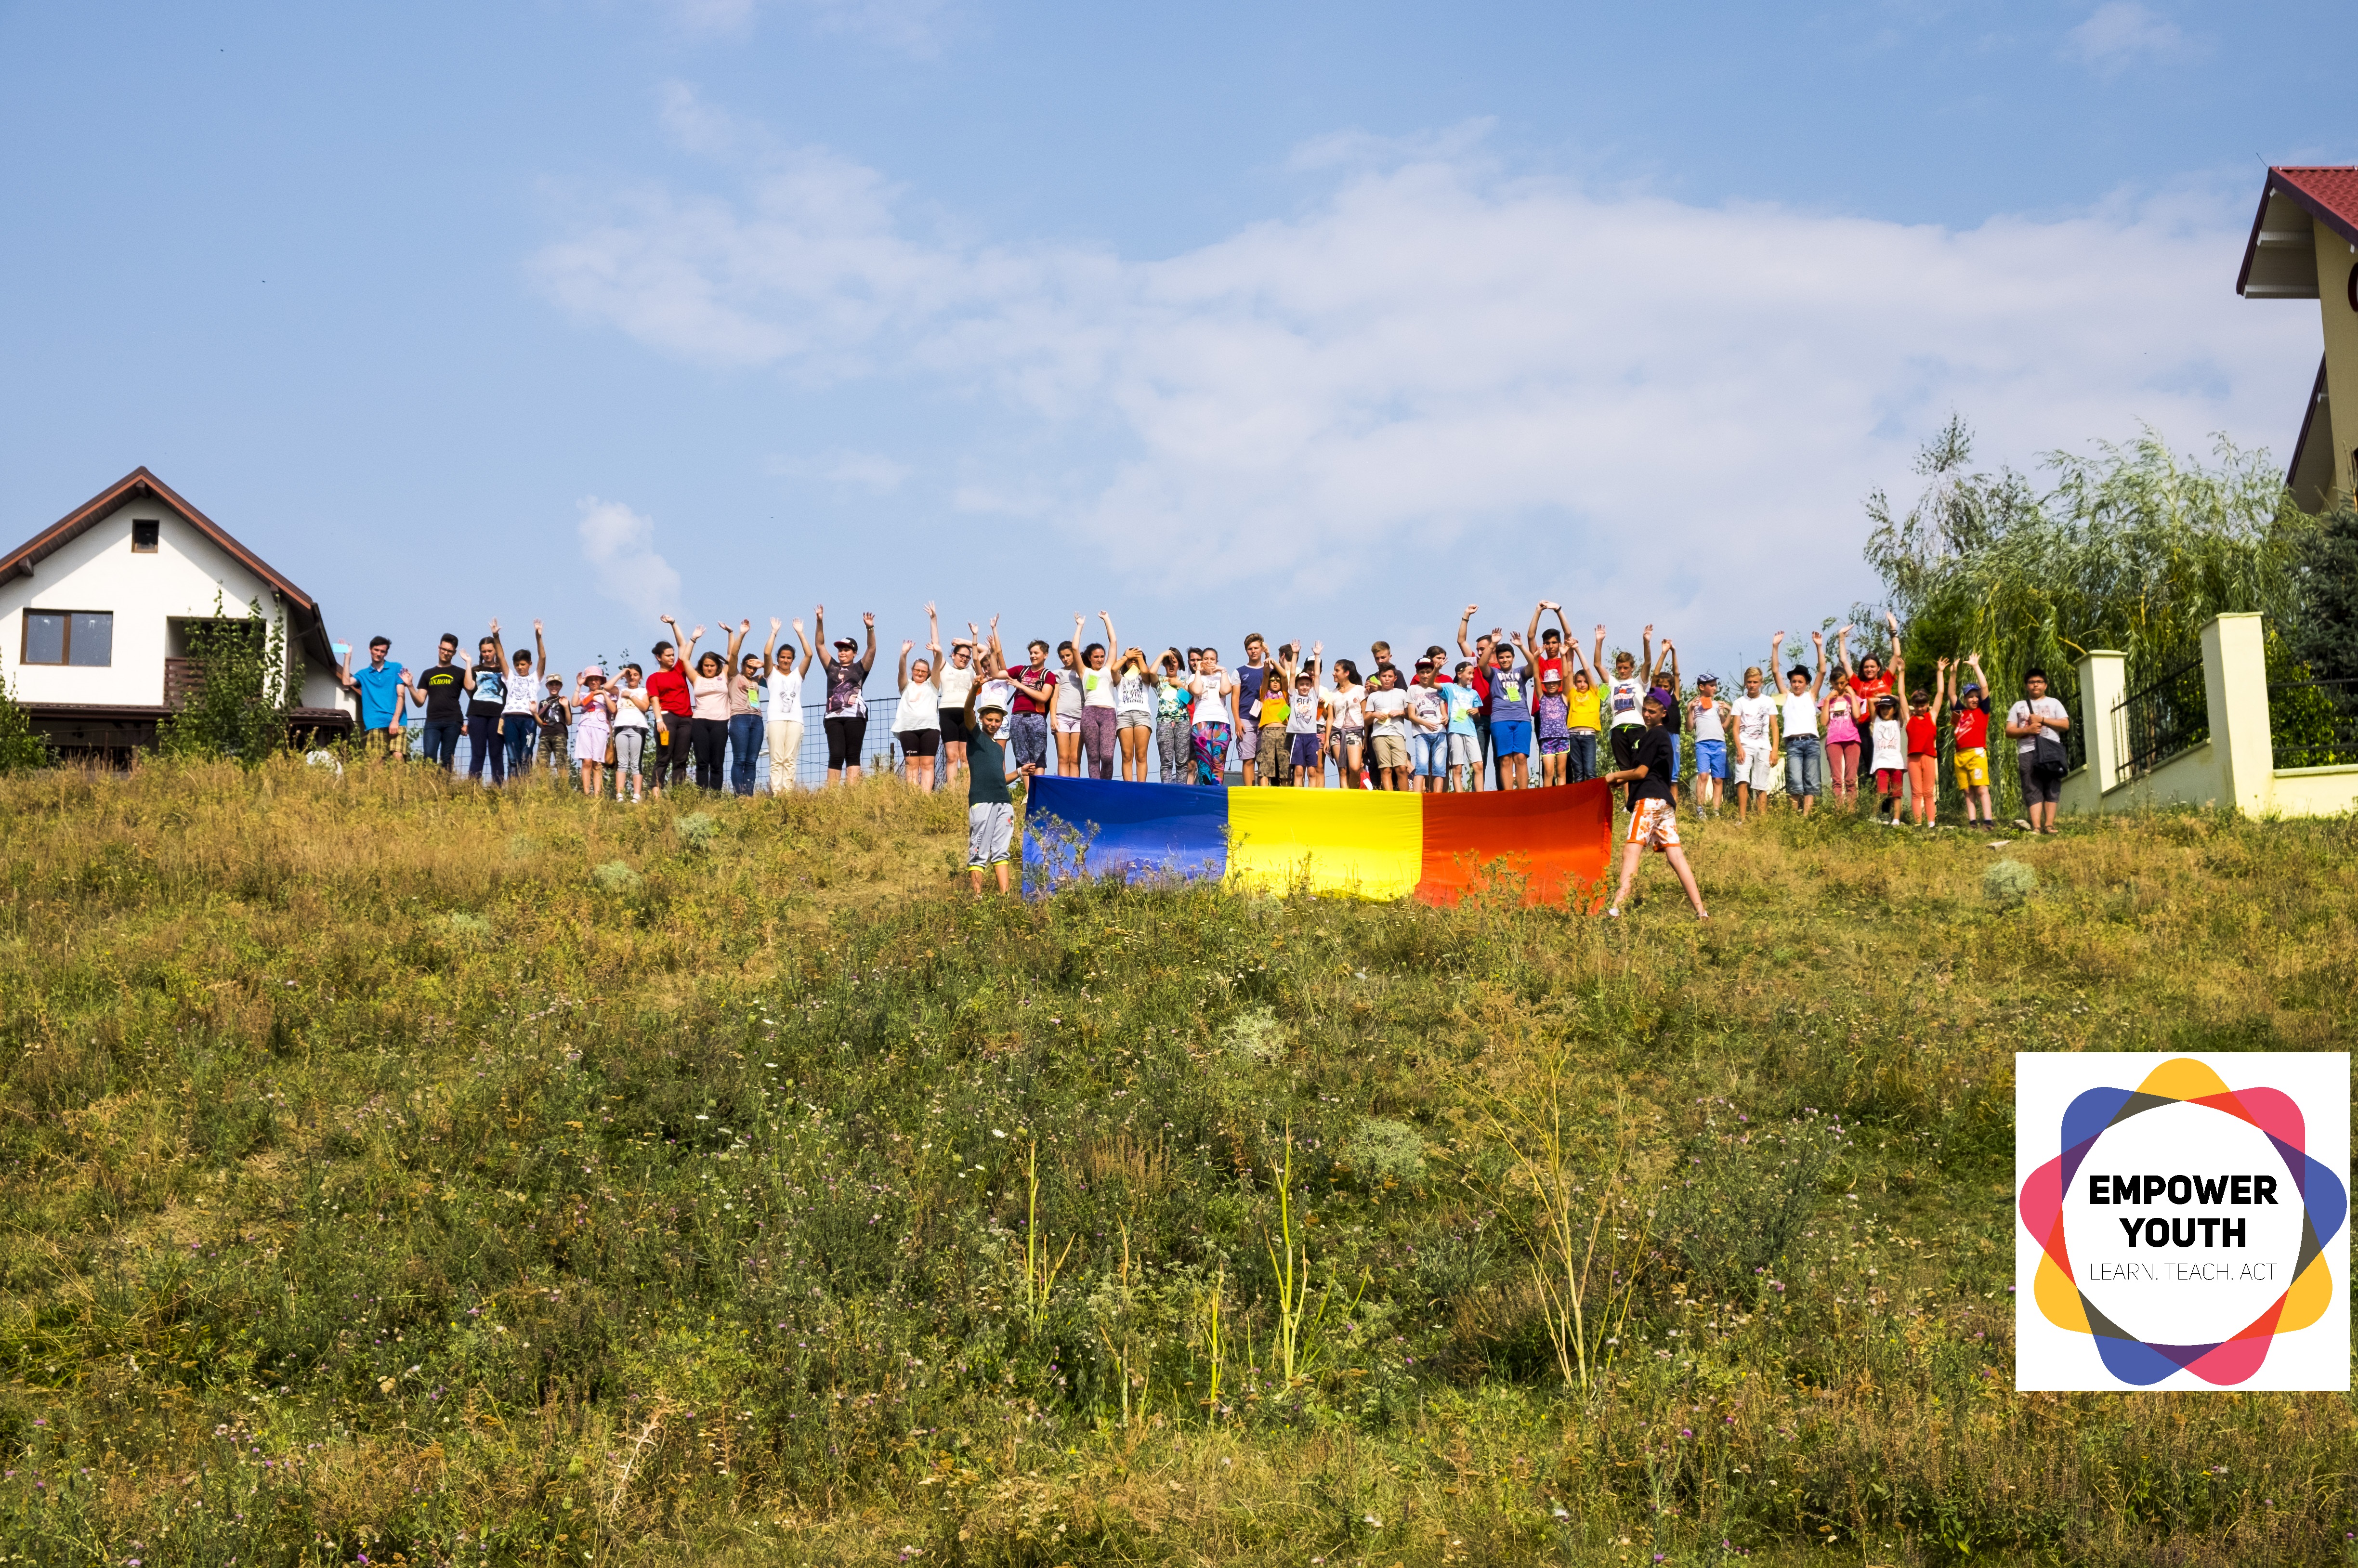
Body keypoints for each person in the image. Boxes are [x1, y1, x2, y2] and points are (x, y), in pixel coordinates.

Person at [1602, 694, 1709, 921]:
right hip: (1665, 802)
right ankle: (1702, 912)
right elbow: (1648, 771)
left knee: (1631, 849)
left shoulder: (1655, 735)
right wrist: (1619, 782)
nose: (1647, 715)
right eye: (1646, 711)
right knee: (1676, 857)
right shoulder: (1662, 738)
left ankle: (1616, 908)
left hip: (1650, 800)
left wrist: (1613, 776)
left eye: (1652, 711)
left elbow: (1640, 773)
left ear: (1663, 713)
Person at [678, 620, 748, 792]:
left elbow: (731, 656)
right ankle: (702, 794)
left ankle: (716, 795)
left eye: (712, 665)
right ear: (702, 666)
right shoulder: (696, 678)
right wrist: (693, 639)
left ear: (717, 666)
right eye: (706, 665)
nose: (709, 668)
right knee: (702, 762)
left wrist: (730, 633)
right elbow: (684, 659)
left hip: (720, 722)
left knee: (717, 762)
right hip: (700, 721)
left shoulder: (723, 676)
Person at [962, 681, 1016, 894]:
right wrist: (974, 690)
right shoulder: (975, 736)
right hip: (982, 801)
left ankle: (1005, 897)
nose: (993, 724)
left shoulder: (997, 748)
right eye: (990, 720)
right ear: (982, 719)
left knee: (1002, 851)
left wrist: (1020, 773)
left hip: (1004, 801)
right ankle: (977, 898)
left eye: (997, 721)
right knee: (979, 851)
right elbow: (967, 710)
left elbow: (1000, 779)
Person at [813, 606, 878, 786]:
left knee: (852, 755)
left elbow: (872, 649)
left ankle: (852, 794)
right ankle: (832, 794)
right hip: (833, 717)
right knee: (836, 754)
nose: (842, 653)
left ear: (854, 653)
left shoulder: (860, 668)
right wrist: (820, 621)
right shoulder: (832, 667)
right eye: (840, 650)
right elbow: (820, 645)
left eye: (847, 650)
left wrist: (870, 628)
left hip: (855, 717)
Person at [2006, 667, 2072, 835]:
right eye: (2032, 682)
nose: (2036, 685)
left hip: (2051, 750)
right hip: (2027, 751)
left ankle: (2049, 825)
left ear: (2045, 685)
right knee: (2031, 786)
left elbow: (2065, 725)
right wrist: (2027, 730)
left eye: (2039, 682)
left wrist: (2043, 720)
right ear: (2027, 686)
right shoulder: (2018, 706)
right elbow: (2009, 731)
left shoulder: (2055, 703)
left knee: (2052, 785)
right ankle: (2036, 826)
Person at [1769, 629, 1827, 814]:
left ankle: (1806, 817)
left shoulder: (1811, 696)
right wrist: (1775, 646)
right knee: (1795, 781)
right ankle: (1794, 817)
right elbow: (1776, 671)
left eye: (1800, 681)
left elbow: (1823, 671)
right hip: (1793, 744)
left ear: (1807, 683)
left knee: (1812, 781)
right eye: (1794, 681)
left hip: (1811, 742)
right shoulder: (1787, 697)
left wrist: (1819, 647)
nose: (1796, 684)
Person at [1594, 623, 1657, 781]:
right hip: (1618, 729)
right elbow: (1597, 665)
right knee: (1624, 769)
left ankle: (1639, 801)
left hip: (1637, 727)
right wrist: (1599, 641)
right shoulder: (1613, 683)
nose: (1622, 671)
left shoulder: (1639, 682)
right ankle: (1628, 805)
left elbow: (1648, 663)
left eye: (1626, 668)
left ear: (1632, 668)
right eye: (1620, 668)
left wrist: (1646, 642)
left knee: (1638, 767)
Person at [1847, 617, 1899, 782]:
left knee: (1887, 765)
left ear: (1878, 668)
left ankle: (1888, 805)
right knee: (1871, 767)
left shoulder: (1885, 681)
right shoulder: (1859, 684)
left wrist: (1893, 630)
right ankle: (1873, 804)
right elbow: (1844, 662)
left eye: (1872, 666)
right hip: (1865, 729)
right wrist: (1842, 638)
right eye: (1866, 667)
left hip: (1885, 725)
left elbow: (1897, 655)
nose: (1869, 669)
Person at [1947, 653, 1996, 829]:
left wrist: (1976, 666)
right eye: (1970, 696)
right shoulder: (1960, 712)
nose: (1974, 699)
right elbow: (1951, 693)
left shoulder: (1983, 711)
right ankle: (1973, 822)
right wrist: (1953, 673)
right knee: (1968, 791)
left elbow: (1984, 686)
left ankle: (1988, 821)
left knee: (1981, 788)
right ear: (1965, 699)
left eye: (1977, 696)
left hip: (1977, 754)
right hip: (1960, 756)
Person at [407, 633, 469, 771]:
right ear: (439, 648)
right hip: (432, 722)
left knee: (447, 757)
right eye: (444, 649)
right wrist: (410, 686)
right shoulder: (428, 674)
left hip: (453, 721)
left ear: (454, 653)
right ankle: (429, 788)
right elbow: (420, 702)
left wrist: (470, 721)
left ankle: (444, 789)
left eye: (450, 651)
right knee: (429, 758)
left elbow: (473, 695)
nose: (446, 653)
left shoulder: (460, 673)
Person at [338, 636, 408, 756]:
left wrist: (395, 721)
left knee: (398, 757)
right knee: (377, 762)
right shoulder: (363, 674)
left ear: (386, 653)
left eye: (383, 651)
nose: (379, 654)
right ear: (370, 649)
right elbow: (346, 682)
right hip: (375, 723)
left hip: (397, 721)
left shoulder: (396, 668)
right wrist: (347, 656)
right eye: (376, 650)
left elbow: (401, 695)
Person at [892, 627, 943, 792]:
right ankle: (914, 798)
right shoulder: (906, 686)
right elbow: (901, 671)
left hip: (930, 729)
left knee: (928, 764)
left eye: (923, 671)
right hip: (908, 729)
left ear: (928, 673)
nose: (920, 673)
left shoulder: (933, 685)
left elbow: (937, 666)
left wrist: (939, 653)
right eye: (917, 670)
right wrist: (904, 654)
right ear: (912, 671)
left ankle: (926, 797)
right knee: (912, 764)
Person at [766, 616, 812, 795]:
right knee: (777, 759)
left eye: (789, 658)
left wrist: (800, 632)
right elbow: (766, 653)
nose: (786, 660)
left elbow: (809, 655)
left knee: (790, 759)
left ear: (793, 660)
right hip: (776, 720)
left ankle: (788, 794)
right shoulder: (771, 674)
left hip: (795, 720)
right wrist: (774, 632)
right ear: (778, 659)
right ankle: (777, 794)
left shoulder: (797, 675)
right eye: (783, 657)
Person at [645, 627, 693, 797]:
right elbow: (654, 700)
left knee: (681, 759)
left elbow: (683, 644)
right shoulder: (654, 678)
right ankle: (656, 794)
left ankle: (678, 795)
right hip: (667, 719)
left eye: (673, 655)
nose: (672, 658)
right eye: (668, 655)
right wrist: (659, 721)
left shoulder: (680, 668)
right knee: (664, 757)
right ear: (659, 657)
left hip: (686, 719)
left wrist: (673, 624)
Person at [1276, 640, 1328, 786]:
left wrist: (1317, 656)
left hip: (1311, 735)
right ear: (1297, 686)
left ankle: (1312, 797)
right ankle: (1298, 794)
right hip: (1297, 736)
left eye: (1307, 684)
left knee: (1313, 771)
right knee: (1298, 771)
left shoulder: (1314, 695)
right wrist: (1296, 654)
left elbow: (1317, 676)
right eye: (1301, 684)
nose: (1304, 687)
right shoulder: (1294, 695)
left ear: (1311, 686)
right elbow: (1292, 674)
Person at [1729, 666, 1778, 821]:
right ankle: (1742, 819)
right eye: (1749, 682)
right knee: (1742, 781)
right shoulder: (1739, 702)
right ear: (1745, 683)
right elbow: (1735, 728)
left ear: (1761, 683)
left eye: (1755, 682)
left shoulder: (1769, 701)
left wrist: (1775, 750)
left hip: (1764, 746)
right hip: (1745, 745)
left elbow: (1774, 727)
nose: (1752, 685)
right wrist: (1739, 748)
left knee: (1761, 784)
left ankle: (1761, 819)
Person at [501, 622, 550, 779]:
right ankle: (515, 790)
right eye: (517, 665)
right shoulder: (510, 678)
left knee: (525, 756)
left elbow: (543, 657)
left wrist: (538, 636)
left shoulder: (535, 678)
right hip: (510, 719)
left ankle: (526, 790)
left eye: (523, 664)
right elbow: (501, 657)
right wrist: (496, 636)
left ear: (530, 664)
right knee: (513, 758)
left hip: (528, 720)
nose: (520, 667)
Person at [1486, 637, 1534, 790]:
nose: (1505, 660)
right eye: (1501, 657)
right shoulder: (1494, 673)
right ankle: (1509, 795)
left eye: (1508, 657)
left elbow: (1534, 664)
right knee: (1506, 759)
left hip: (1522, 719)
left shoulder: (1520, 672)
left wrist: (1521, 646)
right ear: (1497, 659)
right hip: (1500, 720)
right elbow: (1482, 665)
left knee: (1521, 757)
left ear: (1513, 658)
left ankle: (1523, 794)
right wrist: (1493, 644)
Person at [1003, 637, 1056, 778]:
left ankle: (1038, 790)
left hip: (1036, 717)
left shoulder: (1048, 675)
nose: (1033, 656)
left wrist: (1021, 686)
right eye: (1031, 653)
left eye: (1036, 653)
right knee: (1021, 757)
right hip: (1017, 717)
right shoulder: (1022, 670)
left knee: (1038, 757)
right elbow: (1002, 672)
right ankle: (1028, 793)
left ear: (1045, 655)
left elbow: (1044, 697)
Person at [934, 611, 976, 787]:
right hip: (947, 712)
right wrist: (934, 618)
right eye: (962, 656)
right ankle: (952, 791)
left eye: (968, 657)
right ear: (954, 655)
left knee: (966, 756)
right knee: (952, 756)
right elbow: (937, 647)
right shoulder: (944, 667)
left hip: (966, 714)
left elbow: (986, 651)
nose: (965, 659)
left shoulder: (972, 670)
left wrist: (969, 639)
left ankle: (966, 791)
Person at [1108, 627, 1156, 783]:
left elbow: (1146, 672)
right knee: (1127, 755)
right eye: (1131, 660)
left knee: (1141, 755)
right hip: (1124, 715)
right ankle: (1128, 786)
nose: (1133, 661)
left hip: (1142, 714)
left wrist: (1139, 656)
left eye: (1137, 659)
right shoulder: (1120, 678)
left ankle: (1141, 786)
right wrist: (1126, 656)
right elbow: (1113, 669)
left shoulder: (1145, 677)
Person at [1821, 634, 1863, 808]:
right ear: (1831, 683)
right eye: (1837, 683)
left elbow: (1857, 716)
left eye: (1843, 683)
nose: (1840, 687)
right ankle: (1839, 812)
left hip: (1852, 739)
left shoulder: (1852, 697)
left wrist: (1852, 695)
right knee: (1837, 779)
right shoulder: (1828, 699)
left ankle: (1852, 812)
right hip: (1834, 740)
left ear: (1847, 682)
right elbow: (1824, 722)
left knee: (1851, 779)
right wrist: (1827, 701)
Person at [464, 626, 510, 785]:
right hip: (477, 715)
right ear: (481, 652)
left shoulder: (502, 670)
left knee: (496, 754)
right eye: (484, 651)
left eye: (490, 651)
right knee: (478, 754)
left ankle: (497, 790)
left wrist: (496, 636)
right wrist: (468, 664)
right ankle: (472, 789)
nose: (487, 654)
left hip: (498, 716)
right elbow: (469, 688)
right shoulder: (476, 670)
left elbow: (503, 658)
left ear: (495, 652)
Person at [1187, 647, 1238, 785]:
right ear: (1201, 660)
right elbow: (1197, 690)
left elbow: (1226, 690)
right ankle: (1205, 795)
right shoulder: (1194, 677)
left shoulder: (1223, 676)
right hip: (1201, 722)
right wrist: (1198, 670)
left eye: (1212, 659)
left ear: (1217, 661)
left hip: (1221, 721)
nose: (1209, 662)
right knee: (1204, 762)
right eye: (1206, 659)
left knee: (1219, 763)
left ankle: (1216, 794)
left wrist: (1222, 670)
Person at [1080, 613, 1122, 781]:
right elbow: (1075, 649)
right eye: (1096, 657)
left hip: (1109, 713)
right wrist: (1080, 626)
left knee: (1107, 756)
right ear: (1089, 658)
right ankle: (1095, 787)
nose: (1100, 659)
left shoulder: (1108, 669)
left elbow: (1114, 642)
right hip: (1090, 712)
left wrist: (1107, 619)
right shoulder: (1085, 671)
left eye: (1102, 656)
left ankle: (1106, 785)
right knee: (1093, 757)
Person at [1904, 657, 1943, 827]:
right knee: (1916, 792)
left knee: (1929, 792)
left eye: (1923, 705)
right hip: (1914, 758)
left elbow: (1940, 693)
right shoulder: (1909, 719)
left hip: (1929, 757)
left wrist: (1940, 672)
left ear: (1928, 704)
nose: (1921, 708)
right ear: (1913, 705)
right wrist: (1901, 672)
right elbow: (1901, 694)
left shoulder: (1932, 716)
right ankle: (1918, 823)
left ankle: (1931, 822)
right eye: (1917, 705)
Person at [1362, 664, 1413, 791]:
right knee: (1386, 769)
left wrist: (1400, 712)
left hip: (1398, 735)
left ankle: (1404, 799)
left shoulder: (1402, 693)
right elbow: (1366, 719)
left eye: (1390, 676)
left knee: (1402, 768)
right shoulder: (1374, 696)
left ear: (1395, 678)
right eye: (1384, 676)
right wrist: (1375, 714)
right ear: (1379, 678)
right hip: (1380, 735)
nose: (1387, 679)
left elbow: (1410, 715)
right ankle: (1390, 798)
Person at [728, 644, 767, 797]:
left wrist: (762, 664)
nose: (751, 670)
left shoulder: (757, 680)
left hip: (757, 719)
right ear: (743, 665)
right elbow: (734, 654)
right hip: (740, 718)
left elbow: (776, 672)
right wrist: (741, 634)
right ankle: (739, 794)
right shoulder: (734, 676)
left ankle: (749, 795)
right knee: (740, 759)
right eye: (749, 666)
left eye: (754, 668)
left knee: (752, 760)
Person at [1406, 658, 1450, 793]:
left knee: (1439, 768)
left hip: (1440, 732)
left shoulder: (1438, 689)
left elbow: (1444, 712)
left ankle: (1437, 798)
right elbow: (1411, 715)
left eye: (1429, 672)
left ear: (1434, 673)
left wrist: (1446, 718)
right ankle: (1417, 797)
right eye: (1423, 672)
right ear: (1417, 673)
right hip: (1422, 733)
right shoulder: (1413, 689)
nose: (1426, 675)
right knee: (1422, 766)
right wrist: (1426, 723)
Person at [611, 662, 652, 803]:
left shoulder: (643, 691)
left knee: (635, 762)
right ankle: (620, 794)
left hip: (637, 728)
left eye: (636, 675)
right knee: (622, 762)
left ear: (640, 677)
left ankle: (637, 795)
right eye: (630, 675)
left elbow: (645, 706)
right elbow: (608, 687)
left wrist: (632, 696)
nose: (632, 678)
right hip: (621, 727)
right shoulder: (621, 689)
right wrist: (622, 674)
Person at [1050, 626, 1087, 778]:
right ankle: (1063, 786)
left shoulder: (1085, 672)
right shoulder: (1057, 673)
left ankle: (1074, 788)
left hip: (1080, 718)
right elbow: (1055, 696)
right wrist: (1053, 717)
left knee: (1075, 758)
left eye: (1068, 655)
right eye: (1062, 657)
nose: (1065, 659)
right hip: (1062, 717)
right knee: (1063, 757)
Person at [1689, 674, 1729, 814]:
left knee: (1718, 779)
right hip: (1703, 744)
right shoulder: (1695, 704)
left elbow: (1725, 727)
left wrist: (1731, 712)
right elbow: (1689, 727)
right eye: (1711, 685)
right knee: (1703, 776)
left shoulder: (1718, 705)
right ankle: (1700, 809)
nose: (1715, 688)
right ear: (1702, 687)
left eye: (1715, 685)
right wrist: (1690, 710)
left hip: (1719, 744)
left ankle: (1716, 811)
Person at [573, 666, 614, 801]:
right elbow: (574, 703)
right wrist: (578, 686)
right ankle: (586, 793)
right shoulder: (584, 695)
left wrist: (602, 695)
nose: (594, 682)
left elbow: (613, 709)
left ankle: (597, 795)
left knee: (597, 762)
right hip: (585, 726)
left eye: (596, 679)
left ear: (601, 681)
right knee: (587, 761)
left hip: (601, 728)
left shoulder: (607, 695)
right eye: (591, 679)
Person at [1153, 648, 1192, 784]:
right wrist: (1163, 654)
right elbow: (1151, 672)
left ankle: (1181, 790)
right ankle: (1167, 789)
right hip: (1164, 722)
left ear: (1179, 664)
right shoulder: (1160, 679)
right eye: (1168, 662)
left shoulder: (1185, 680)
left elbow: (1190, 700)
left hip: (1182, 722)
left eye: (1174, 662)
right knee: (1166, 761)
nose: (1171, 665)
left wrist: (1180, 685)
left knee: (1182, 761)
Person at [1327, 658, 1368, 790]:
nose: (1334, 673)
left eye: (1337, 670)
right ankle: (1345, 796)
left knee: (1355, 767)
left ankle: (1354, 792)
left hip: (1355, 732)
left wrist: (1366, 737)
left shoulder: (1360, 690)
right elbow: (1330, 718)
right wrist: (1328, 740)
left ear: (1347, 673)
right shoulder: (1332, 694)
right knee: (1342, 770)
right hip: (1337, 733)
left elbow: (1365, 715)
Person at [1563, 652, 1603, 784]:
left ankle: (1593, 801)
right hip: (1573, 735)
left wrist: (1577, 649)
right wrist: (1565, 655)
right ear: (1575, 683)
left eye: (1586, 682)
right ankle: (1581, 802)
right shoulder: (1572, 693)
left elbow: (1587, 669)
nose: (1582, 684)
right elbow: (1567, 673)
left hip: (1589, 736)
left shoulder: (1595, 693)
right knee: (1578, 773)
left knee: (1590, 771)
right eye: (1579, 682)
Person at [1444, 661, 1482, 792]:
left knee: (1479, 766)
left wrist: (1476, 712)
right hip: (1455, 730)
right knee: (1457, 767)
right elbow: (1433, 685)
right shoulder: (1451, 688)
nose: (1472, 676)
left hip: (1471, 731)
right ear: (1459, 674)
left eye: (1473, 673)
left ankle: (1480, 796)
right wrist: (1437, 668)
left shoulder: (1474, 693)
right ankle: (1460, 797)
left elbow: (1477, 717)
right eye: (1469, 673)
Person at [1868, 692, 1905, 824]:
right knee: (1881, 791)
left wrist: (1889, 695)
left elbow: (1902, 701)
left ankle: (1896, 819)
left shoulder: (1898, 722)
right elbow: (1870, 700)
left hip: (1896, 764)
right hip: (1881, 763)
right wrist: (1882, 698)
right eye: (1883, 707)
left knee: (1897, 793)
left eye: (1888, 707)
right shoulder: (1877, 722)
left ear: (1894, 709)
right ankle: (1874, 816)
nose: (1885, 710)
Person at [1533, 664, 1572, 787]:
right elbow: (1535, 677)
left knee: (1561, 772)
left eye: (1555, 682)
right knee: (1549, 771)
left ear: (1559, 684)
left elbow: (1566, 676)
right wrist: (1535, 658)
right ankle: (1547, 800)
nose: (1552, 685)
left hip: (1562, 738)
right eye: (1549, 683)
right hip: (1547, 739)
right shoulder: (1542, 698)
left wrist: (1564, 655)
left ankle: (1561, 799)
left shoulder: (1564, 697)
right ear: (1545, 685)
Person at [535, 675, 571, 778]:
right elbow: (540, 723)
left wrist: (565, 707)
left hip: (560, 734)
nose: (554, 687)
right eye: (551, 684)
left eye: (557, 684)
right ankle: (543, 788)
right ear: (547, 686)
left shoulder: (564, 701)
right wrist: (534, 713)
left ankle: (563, 788)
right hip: (545, 735)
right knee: (542, 764)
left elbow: (569, 722)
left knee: (561, 762)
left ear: (560, 686)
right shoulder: (543, 703)